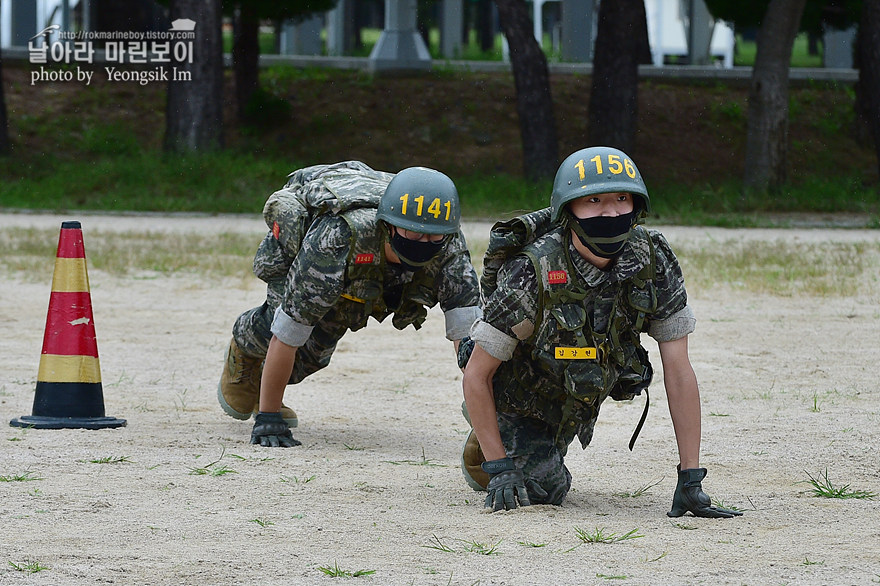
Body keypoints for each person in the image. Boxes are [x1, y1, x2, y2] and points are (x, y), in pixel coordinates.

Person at [459, 146, 742, 518]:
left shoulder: (652, 259)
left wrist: (691, 478)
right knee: (543, 489)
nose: (610, 212)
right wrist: (498, 469)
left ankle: (536, 441)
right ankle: (489, 435)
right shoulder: (532, 271)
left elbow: (679, 369)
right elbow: (477, 374)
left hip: (579, 387)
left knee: (545, 466)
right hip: (521, 394)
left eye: (621, 198)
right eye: (593, 200)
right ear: (569, 210)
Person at [218, 161, 481, 447]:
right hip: (311, 253)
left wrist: (484, 410)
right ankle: (243, 349)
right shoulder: (338, 237)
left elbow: (468, 338)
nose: (425, 241)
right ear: (389, 227)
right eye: (414, 233)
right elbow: (290, 327)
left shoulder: (449, 246)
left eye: (433, 235)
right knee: (279, 330)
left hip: (370, 279)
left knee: (311, 357)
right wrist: (269, 417)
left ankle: (263, 386)